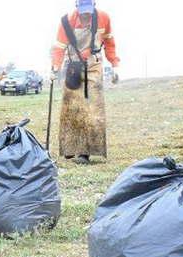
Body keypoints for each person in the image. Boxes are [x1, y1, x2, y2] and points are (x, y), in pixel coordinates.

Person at [51, 0, 120, 165]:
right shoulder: (66, 21)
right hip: (73, 65)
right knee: (72, 106)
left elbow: (109, 42)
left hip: (93, 65)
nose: (86, 15)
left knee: (92, 108)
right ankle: (70, 148)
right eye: (83, 12)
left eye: (89, 11)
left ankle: (85, 152)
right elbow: (59, 48)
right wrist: (55, 68)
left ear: (94, 6)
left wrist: (114, 64)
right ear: (77, 8)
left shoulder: (103, 18)